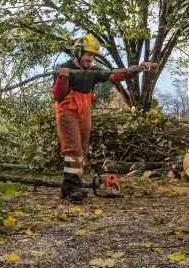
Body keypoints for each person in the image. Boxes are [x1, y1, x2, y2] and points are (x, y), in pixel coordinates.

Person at [52, 34, 152, 202]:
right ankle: (71, 188)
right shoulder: (65, 68)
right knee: (73, 150)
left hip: (84, 112)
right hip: (67, 112)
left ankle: (70, 186)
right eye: (89, 55)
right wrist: (62, 79)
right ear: (78, 53)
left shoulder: (93, 71)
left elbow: (115, 75)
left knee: (82, 150)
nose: (91, 59)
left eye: (94, 56)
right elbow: (57, 95)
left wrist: (136, 69)